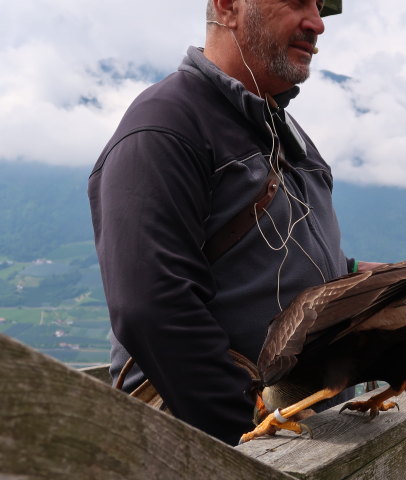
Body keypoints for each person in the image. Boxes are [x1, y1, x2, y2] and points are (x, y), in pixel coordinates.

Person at [88, 0, 367, 446]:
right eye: (297, 2)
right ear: (227, 6)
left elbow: (310, 266)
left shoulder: (286, 132)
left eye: (321, 8)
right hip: (210, 451)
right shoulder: (164, 126)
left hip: (300, 445)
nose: (317, 23)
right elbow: (153, 309)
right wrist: (251, 436)